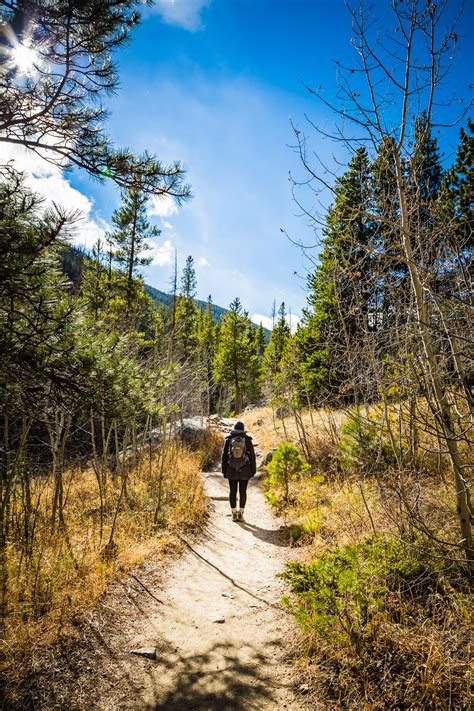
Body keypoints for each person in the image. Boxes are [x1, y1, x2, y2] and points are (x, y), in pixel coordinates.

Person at [221, 421, 257, 522]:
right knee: (242, 491)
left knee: (232, 491)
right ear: (243, 429)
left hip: (231, 469)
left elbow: (224, 456)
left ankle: (233, 513)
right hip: (245, 470)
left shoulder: (229, 439)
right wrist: (253, 470)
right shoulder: (247, 439)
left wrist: (224, 470)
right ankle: (240, 513)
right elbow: (252, 457)